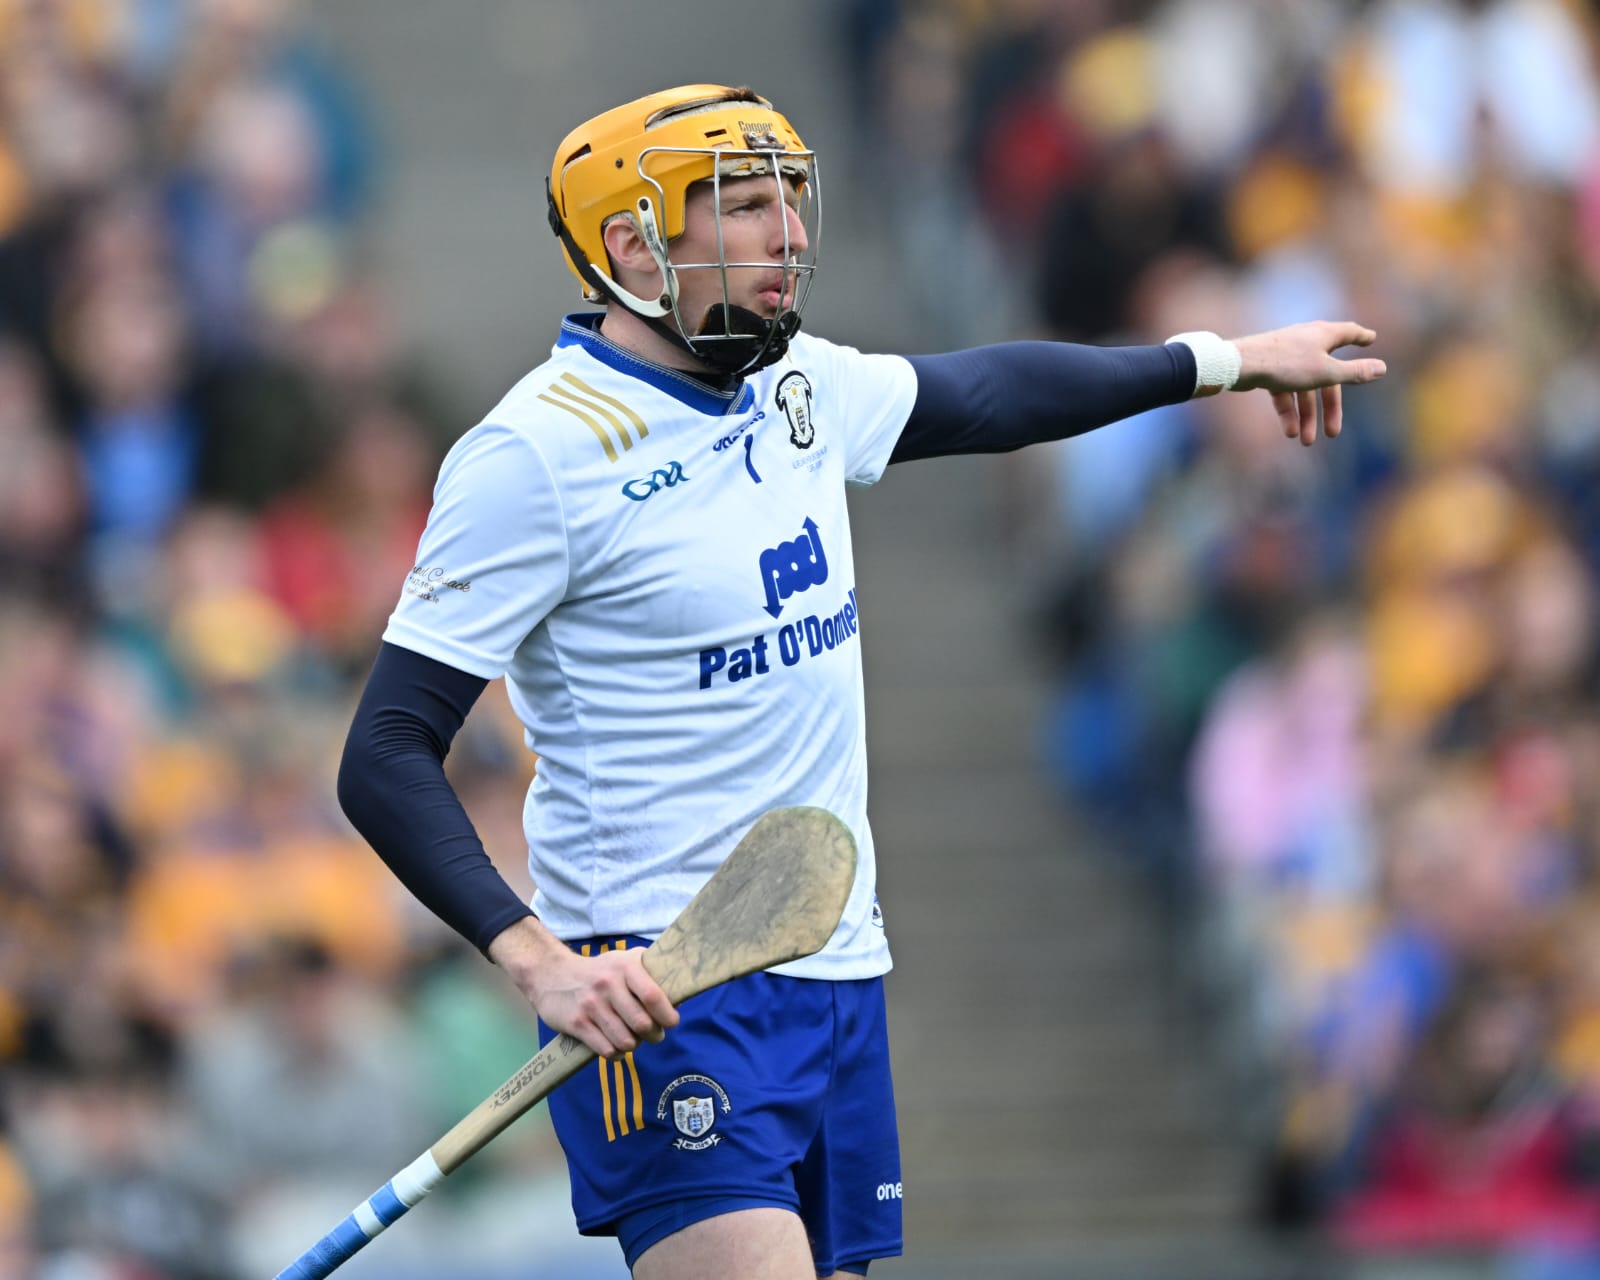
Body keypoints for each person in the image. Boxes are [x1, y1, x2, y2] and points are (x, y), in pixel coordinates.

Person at [336, 83, 1387, 1279]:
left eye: (790, 200)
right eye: (743, 206)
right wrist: (538, 959)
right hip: (661, 986)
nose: (788, 235)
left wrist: (1227, 361)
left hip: (836, 961)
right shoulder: (534, 454)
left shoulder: (798, 383)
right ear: (630, 245)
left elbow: (988, 393)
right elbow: (384, 751)